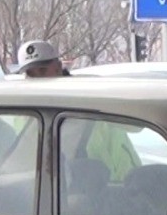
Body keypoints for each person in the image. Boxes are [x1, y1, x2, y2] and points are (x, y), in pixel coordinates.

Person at [17, 38, 142, 179]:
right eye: (31, 74)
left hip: (117, 187)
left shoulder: (89, 95)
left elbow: (137, 124)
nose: (38, 79)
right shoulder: (21, 114)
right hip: (56, 192)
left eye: (43, 70)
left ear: (58, 67)